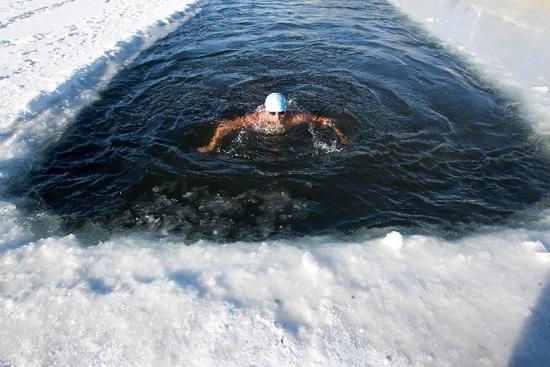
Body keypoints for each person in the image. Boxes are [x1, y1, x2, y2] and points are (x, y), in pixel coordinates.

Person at [197, 93, 348, 153]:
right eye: (273, 113)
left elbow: (323, 120)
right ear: (266, 110)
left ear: (286, 110)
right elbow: (223, 126)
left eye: (281, 113)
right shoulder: (255, 119)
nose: (278, 118)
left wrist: (341, 136)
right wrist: (211, 145)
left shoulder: (295, 117)